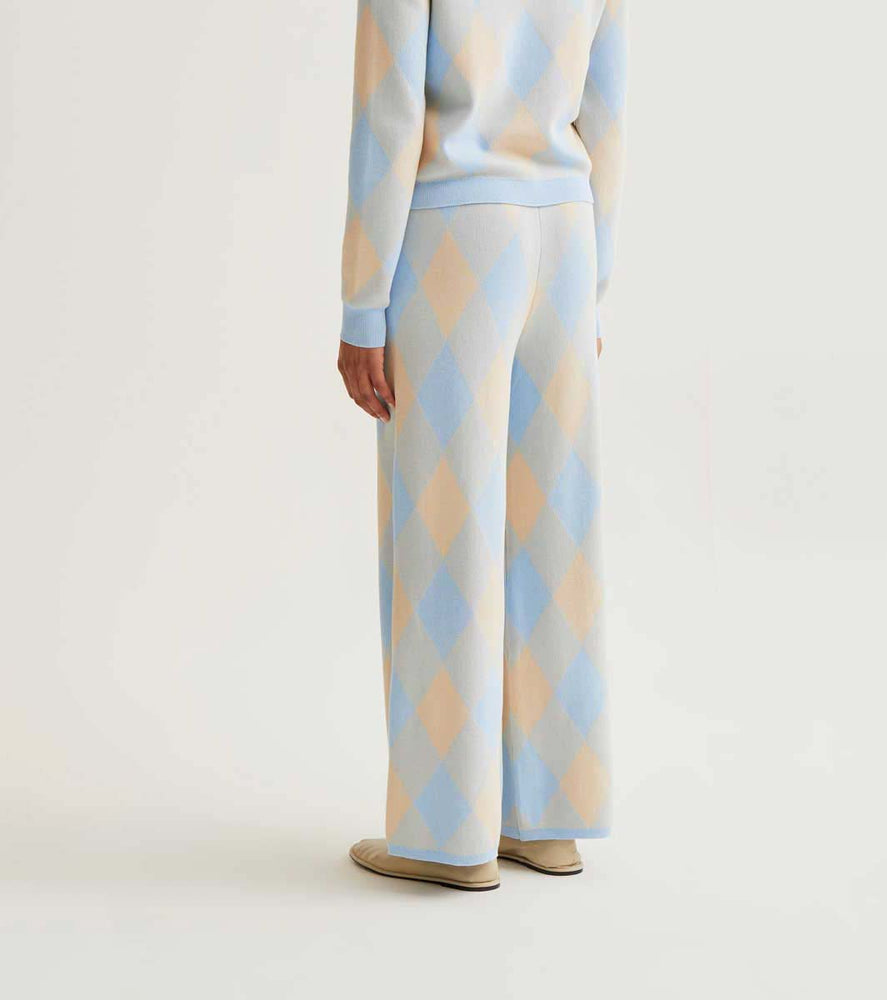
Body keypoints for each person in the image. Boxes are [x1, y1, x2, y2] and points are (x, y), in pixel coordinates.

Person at [338, 0, 627, 891]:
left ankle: (444, 834)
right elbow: (606, 104)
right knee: (555, 538)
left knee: (445, 535)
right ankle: (548, 820)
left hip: (454, 231)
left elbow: (391, 109)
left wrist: (362, 302)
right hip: (565, 230)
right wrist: (595, 280)